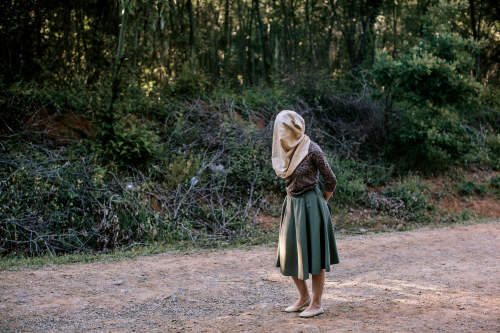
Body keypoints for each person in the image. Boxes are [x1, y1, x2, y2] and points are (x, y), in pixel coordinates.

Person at [272, 109, 340, 318]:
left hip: (311, 204)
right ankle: (304, 298)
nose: (279, 132)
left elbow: (331, 180)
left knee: (315, 256)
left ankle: (317, 303)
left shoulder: (312, 150)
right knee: (289, 254)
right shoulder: (283, 150)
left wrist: (321, 203)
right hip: (292, 204)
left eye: (282, 128)